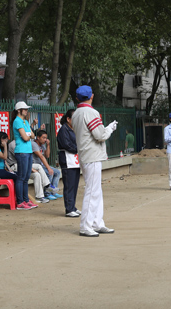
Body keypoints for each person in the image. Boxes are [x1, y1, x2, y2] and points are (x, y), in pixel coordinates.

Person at [72, 85, 117, 237]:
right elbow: (100, 135)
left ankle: (97, 223)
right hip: (92, 155)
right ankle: (86, 226)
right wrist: (109, 128)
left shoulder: (76, 113)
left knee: (95, 191)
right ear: (91, 96)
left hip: (86, 155)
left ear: (77, 98)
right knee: (92, 191)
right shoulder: (91, 112)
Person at [0, 131, 28, 206]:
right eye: (4, 139)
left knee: (19, 175)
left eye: (6, 139)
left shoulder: (1, 148)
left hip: (2, 169)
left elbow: (4, 161)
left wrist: (10, 169)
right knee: (16, 177)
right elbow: (4, 157)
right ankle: (19, 200)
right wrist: (5, 147)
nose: (6, 141)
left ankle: (22, 197)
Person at [12, 101, 39, 210]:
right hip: (21, 151)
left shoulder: (25, 122)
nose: (27, 111)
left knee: (26, 177)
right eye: (25, 109)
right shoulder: (17, 121)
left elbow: (33, 135)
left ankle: (26, 200)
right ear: (19, 110)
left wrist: (28, 135)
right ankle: (20, 202)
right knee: (21, 177)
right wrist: (28, 135)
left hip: (28, 151)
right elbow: (26, 137)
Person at [57, 110, 81, 217]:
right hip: (67, 160)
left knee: (74, 184)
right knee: (69, 185)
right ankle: (69, 209)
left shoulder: (73, 129)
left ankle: (73, 206)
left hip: (75, 160)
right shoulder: (64, 130)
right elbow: (66, 144)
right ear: (68, 119)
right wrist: (78, 149)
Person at [32, 130, 63, 197]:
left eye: (46, 138)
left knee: (57, 172)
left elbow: (47, 156)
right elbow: (41, 156)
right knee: (50, 173)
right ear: (38, 137)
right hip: (36, 165)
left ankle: (53, 192)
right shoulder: (34, 144)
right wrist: (49, 168)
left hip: (42, 165)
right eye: (43, 138)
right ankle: (47, 193)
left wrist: (48, 145)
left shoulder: (42, 145)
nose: (45, 140)